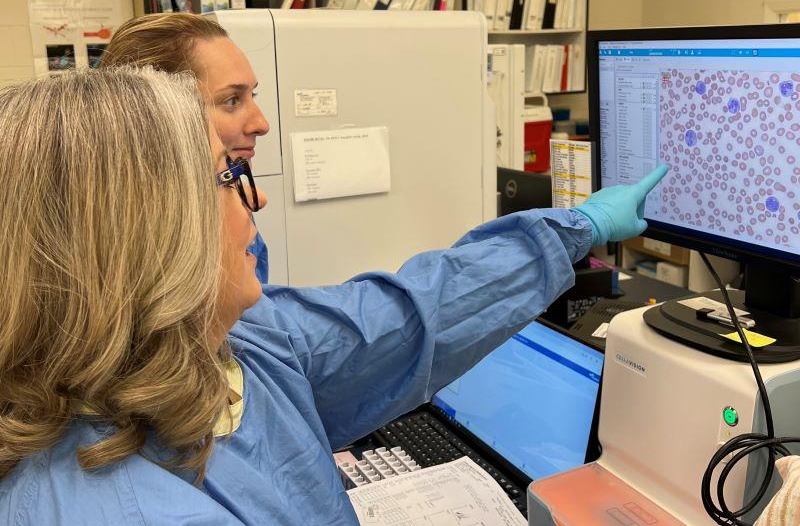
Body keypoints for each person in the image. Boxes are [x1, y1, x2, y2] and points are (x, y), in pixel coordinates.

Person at [0, 65, 666, 525]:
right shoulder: (124, 508)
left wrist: (580, 226)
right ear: (145, 235)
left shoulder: (231, 348)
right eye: (227, 178)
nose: (254, 197)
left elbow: (409, 314)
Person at [101, 14, 271, 282]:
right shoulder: (124, 252)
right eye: (231, 100)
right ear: (155, 114)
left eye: (253, 95)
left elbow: (256, 314)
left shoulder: (225, 197)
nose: (261, 124)